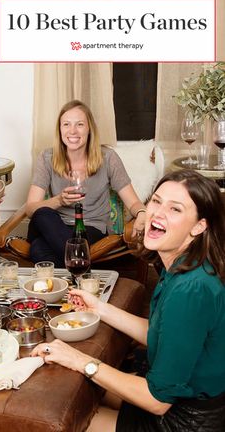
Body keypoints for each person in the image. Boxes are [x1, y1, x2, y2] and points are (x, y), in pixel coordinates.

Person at [31, 169, 225, 431]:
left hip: (187, 418)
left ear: (199, 227)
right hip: (182, 397)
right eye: (156, 201)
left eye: (175, 209)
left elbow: (157, 400)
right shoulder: (181, 266)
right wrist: (99, 307)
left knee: (69, 420)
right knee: (84, 392)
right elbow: (159, 333)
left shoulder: (191, 289)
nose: (158, 213)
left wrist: (78, 359)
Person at [26, 100, 146, 267]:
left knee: (38, 248)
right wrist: (59, 201)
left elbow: (133, 201)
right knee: (43, 214)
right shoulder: (47, 158)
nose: (72, 131)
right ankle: (80, 263)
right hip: (53, 226)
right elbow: (31, 209)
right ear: (59, 129)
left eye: (80, 124)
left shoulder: (108, 158)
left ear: (89, 128)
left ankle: (73, 272)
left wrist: (141, 212)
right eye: (66, 124)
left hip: (91, 228)